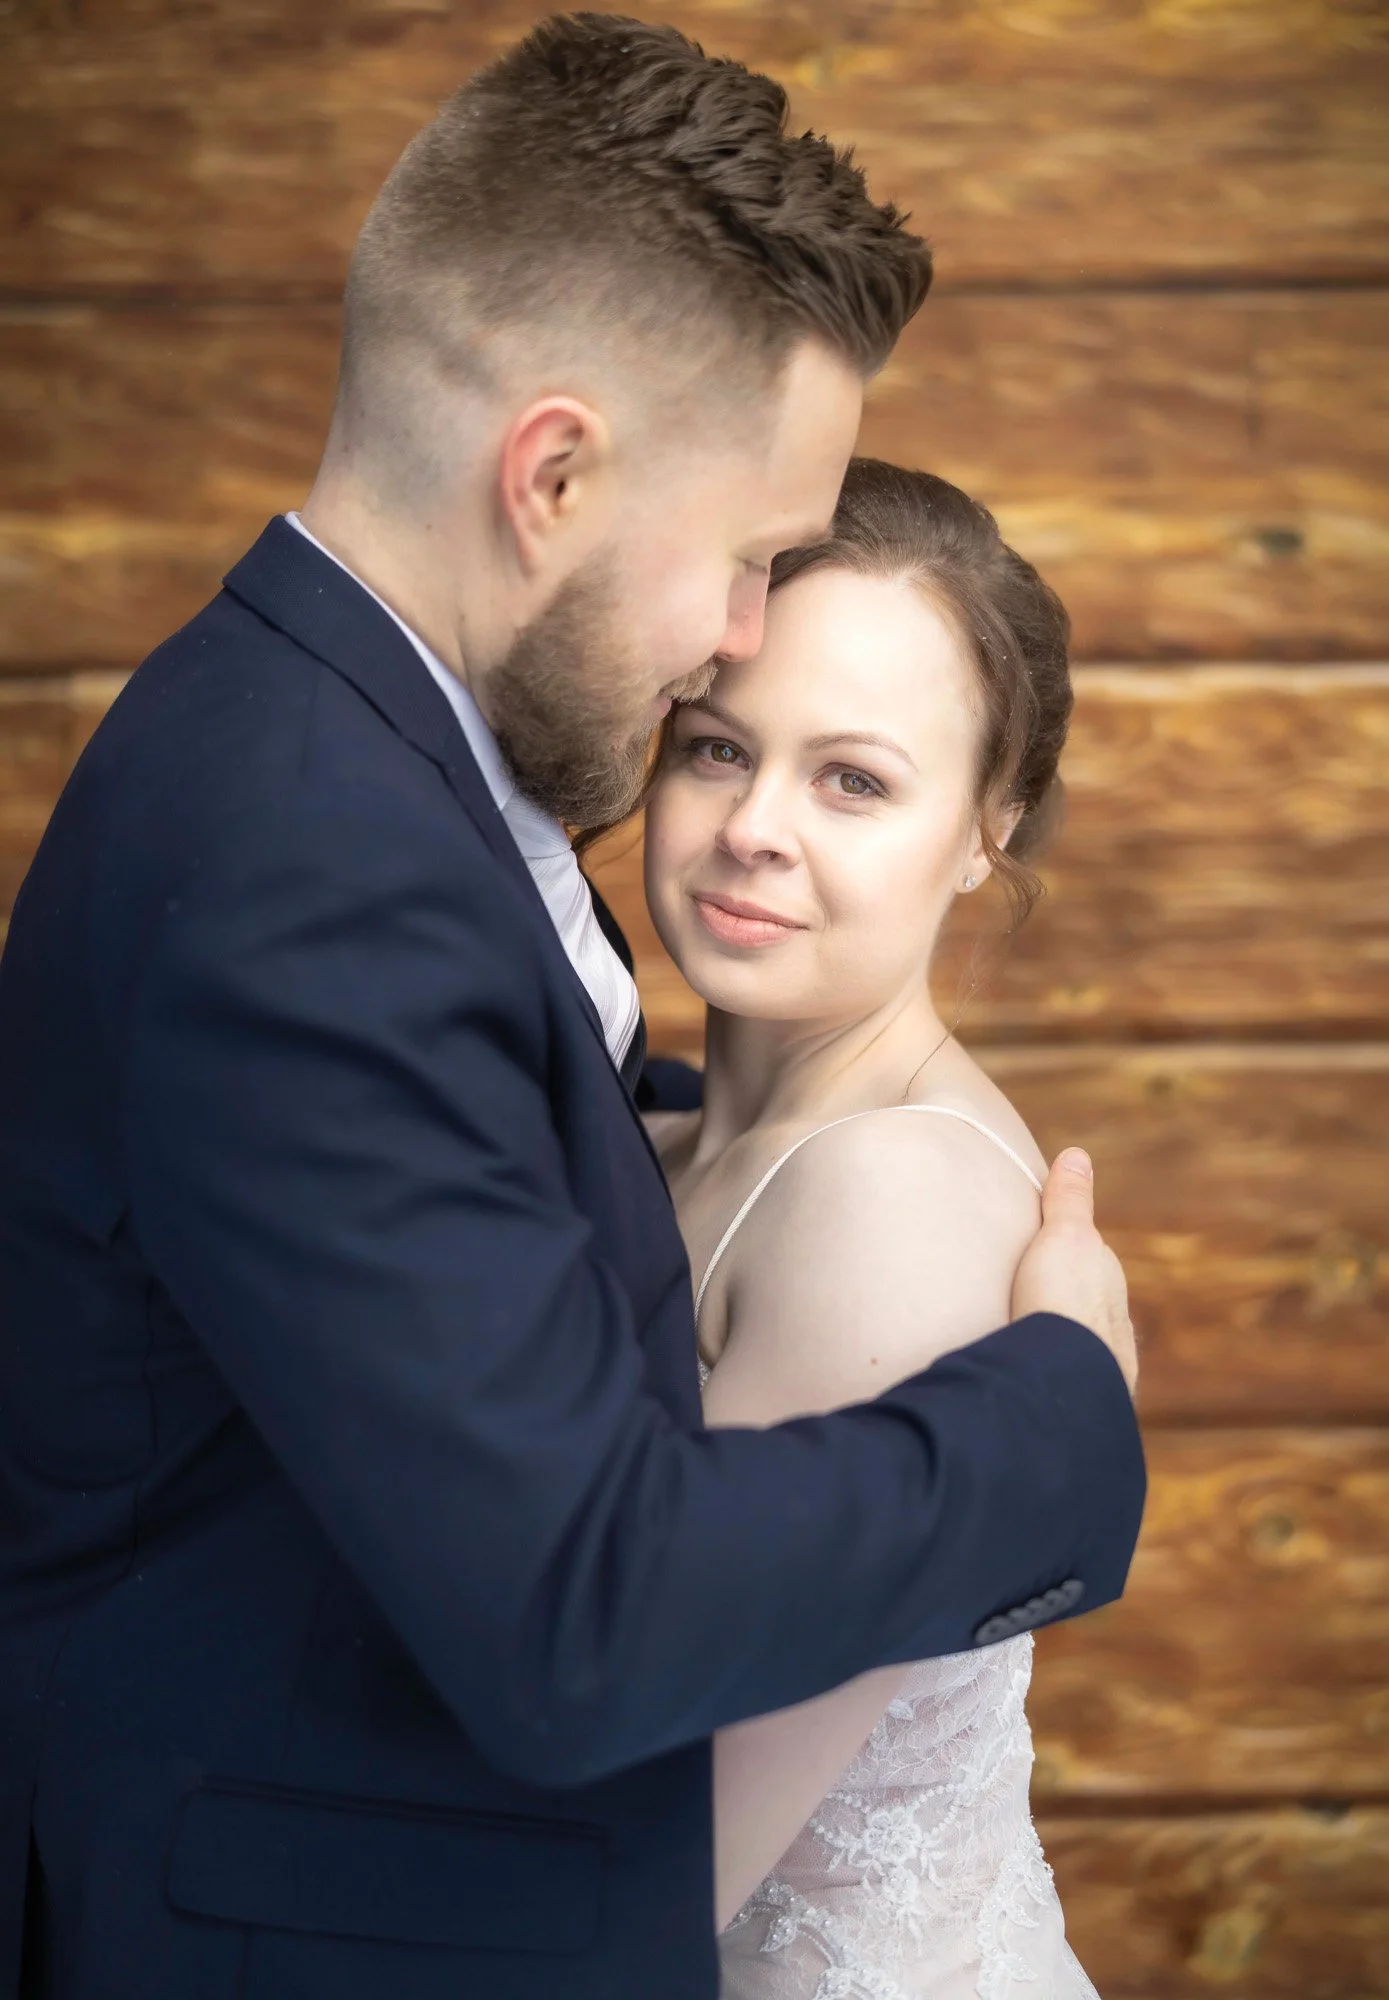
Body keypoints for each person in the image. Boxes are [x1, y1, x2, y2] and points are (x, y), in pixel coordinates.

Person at [0, 18, 1142, 2000]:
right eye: (749, 556)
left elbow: (432, 1173)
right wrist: (1061, 1414)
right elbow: (578, 1616)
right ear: (552, 474)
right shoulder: (313, 851)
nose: (735, 625)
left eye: (854, 771)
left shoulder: (322, 754)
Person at [643, 458, 1102, 1996]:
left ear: (987, 828)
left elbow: (662, 1862)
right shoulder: (665, 1136)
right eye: (717, 748)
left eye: (853, 779)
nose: (755, 826)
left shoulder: (882, 1205)